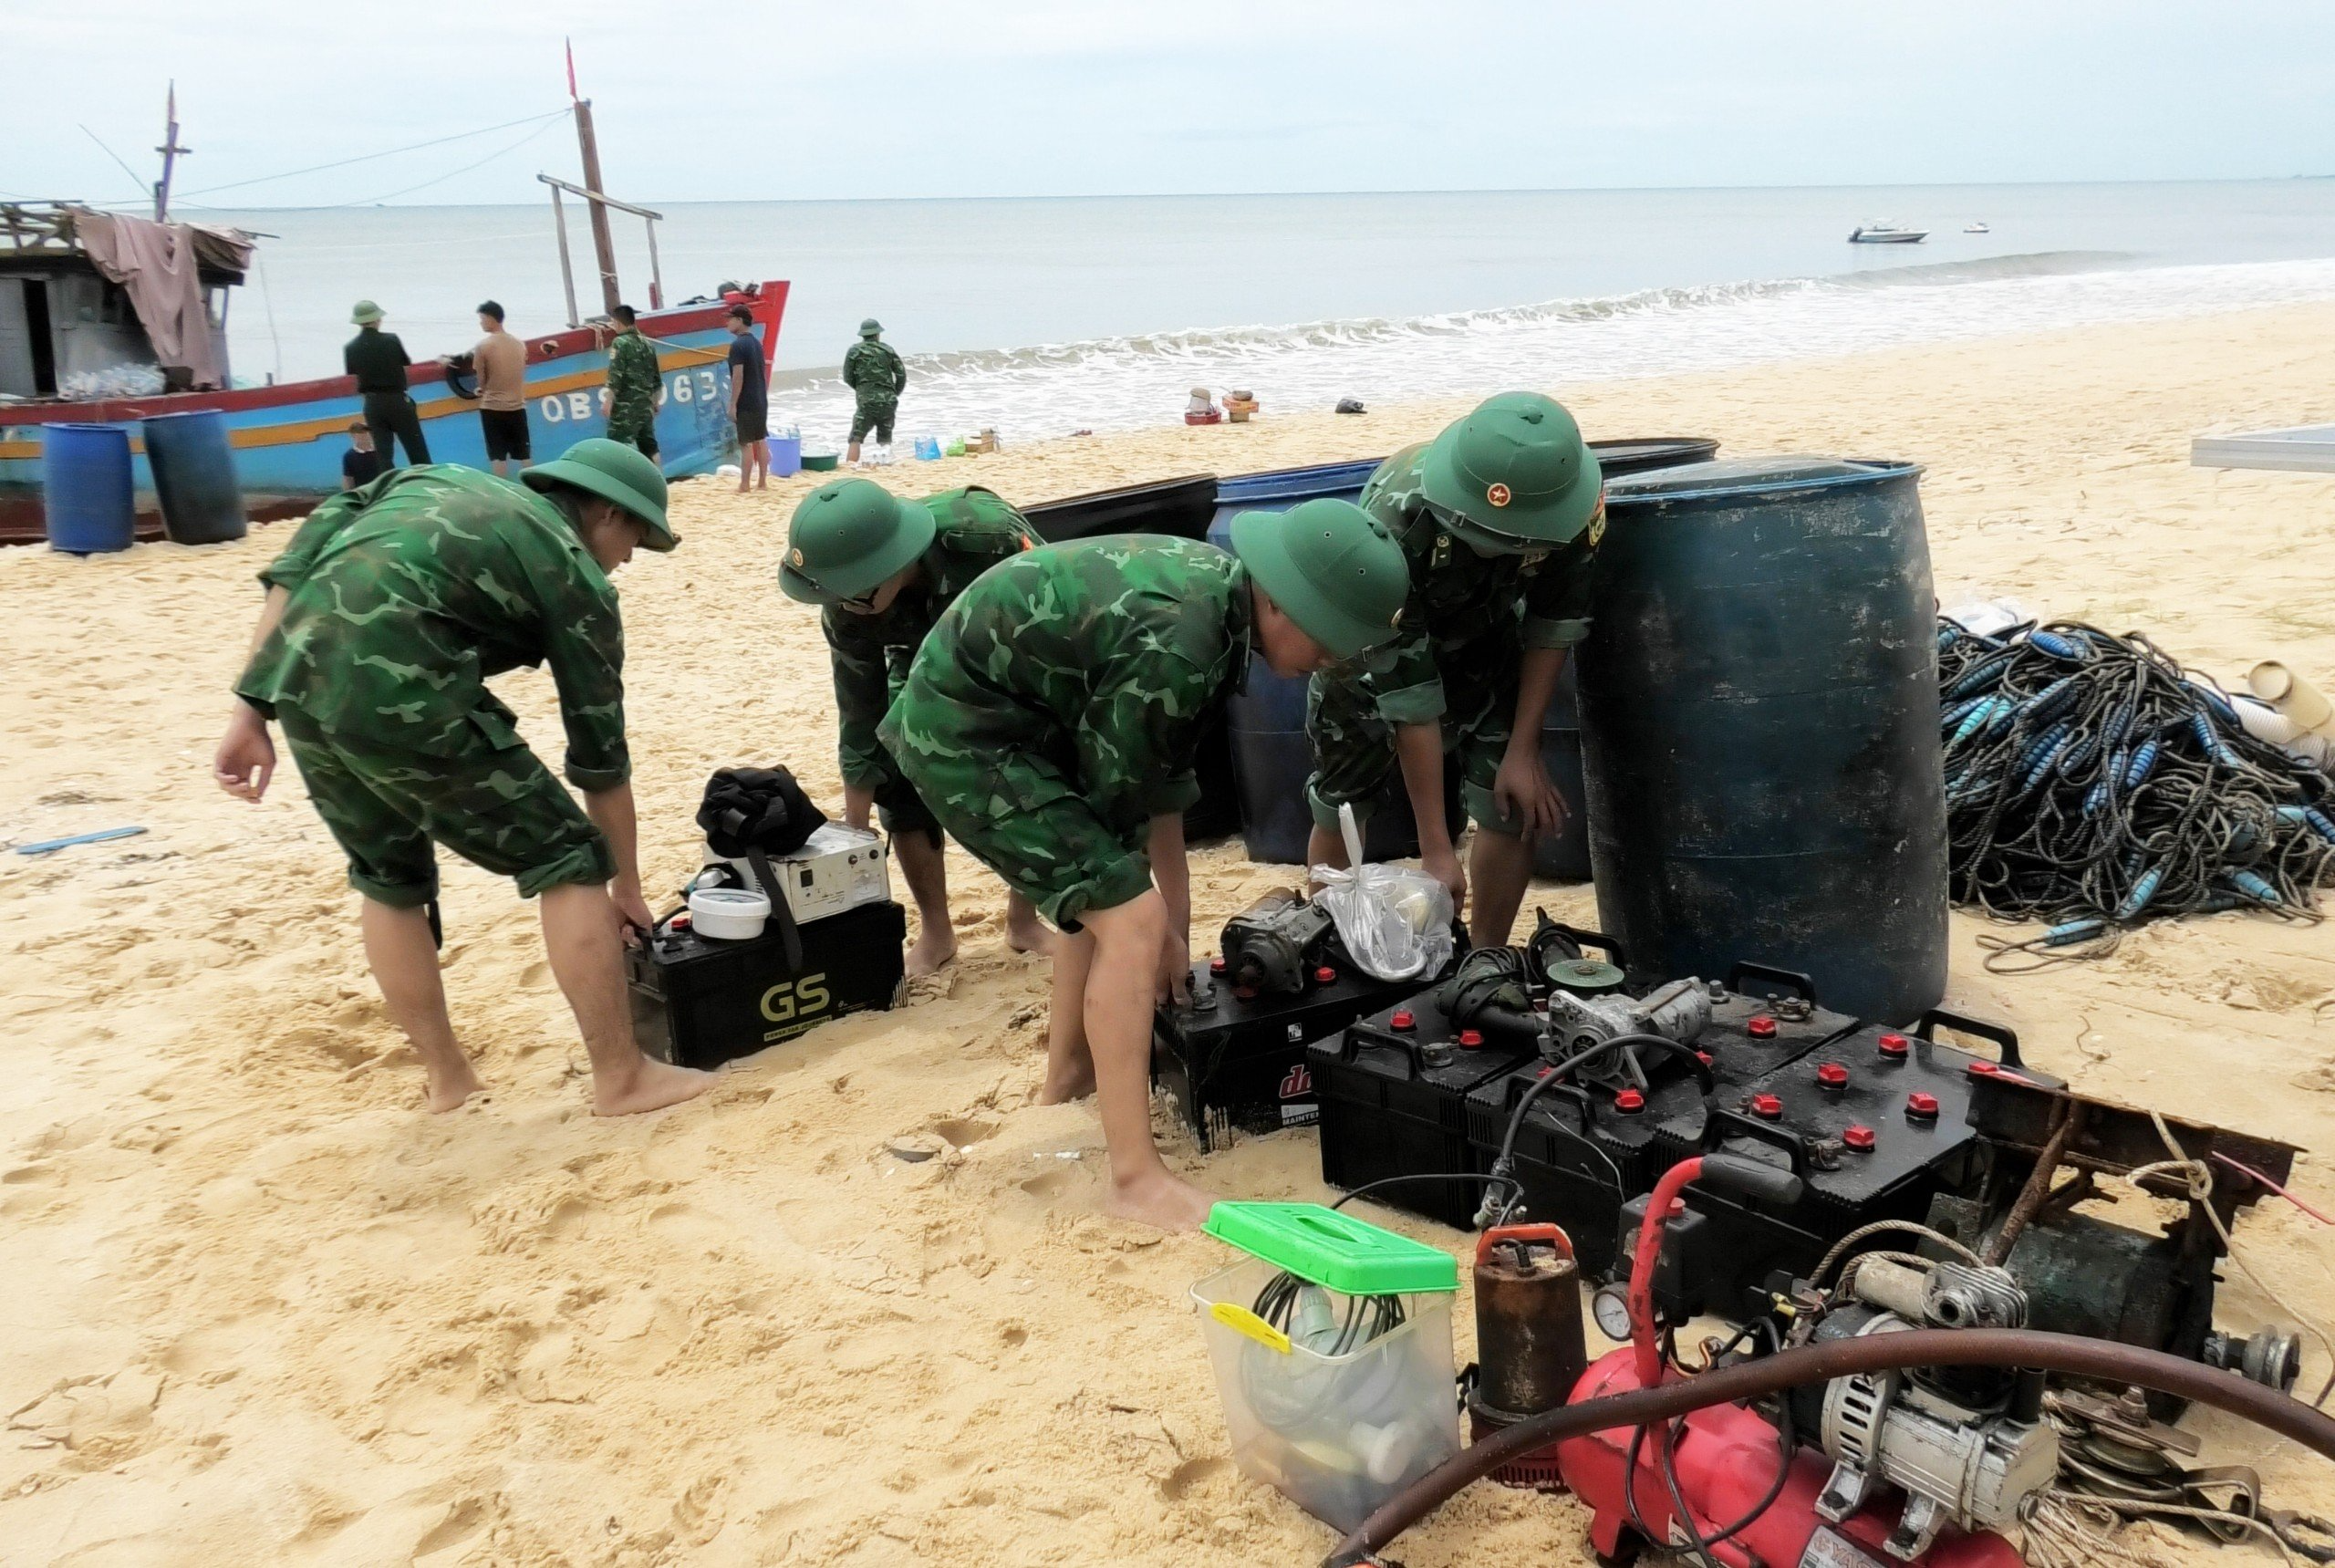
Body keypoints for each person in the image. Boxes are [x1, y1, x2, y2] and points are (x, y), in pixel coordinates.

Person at [879, 502, 1410, 1230]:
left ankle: (1067, 1074)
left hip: (1017, 716)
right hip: (966, 731)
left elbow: (1156, 785)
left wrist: (1177, 920)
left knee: (1109, 898)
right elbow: (1116, 811)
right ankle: (1133, 1178)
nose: (1332, 661)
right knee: (1125, 915)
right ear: (1282, 600)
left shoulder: (1219, 603)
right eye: (1329, 639)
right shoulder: (1183, 640)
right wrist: (1156, 929)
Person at [211, 438, 711, 1119]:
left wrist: (250, 706)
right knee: (567, 857)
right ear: (606, 515)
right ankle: (622, 1078)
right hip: (404, 681)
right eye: (635, 543)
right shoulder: (575, 573)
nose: (625, 562)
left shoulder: (425, 475)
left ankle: (449, 1079)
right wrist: (624, 882)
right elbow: (600, 757)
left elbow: (294, 568)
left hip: (298, 680)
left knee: (388, 876)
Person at [1304, 389, 1605, 950]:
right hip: (1369, 652)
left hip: (1486, 642)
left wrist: (1523, 749)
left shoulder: (1572, 501)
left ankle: (1485, 960)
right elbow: (1409, 693)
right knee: (1344, 798)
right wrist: (1437, 850)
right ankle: (1334, 949)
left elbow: (1553, 624)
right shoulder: (1396, 519)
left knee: (1511, 800)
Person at [779, 477, 1056, 975]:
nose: (843, 607)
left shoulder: (985, 541)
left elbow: (1053, 620)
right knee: (898, 759)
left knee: (1032, 756)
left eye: (854, 597)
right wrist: (854, 830)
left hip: (1015, 640)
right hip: (918, 647)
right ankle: (937, 933)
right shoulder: (846, 601)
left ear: (891, 565)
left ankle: (1025, 920)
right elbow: (860, 711)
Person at [343, 300, 430, 467]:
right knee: (417, 451)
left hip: (373, 404)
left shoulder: (351, 347)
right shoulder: (391, 340)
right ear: (377, 319)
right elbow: (405, 361)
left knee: (384, 456)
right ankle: (425, 485)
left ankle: (388, 487)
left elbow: (353, 373)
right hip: (397, 400)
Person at [470, 300, 530, 478]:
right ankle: (533, 489)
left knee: (498, 456)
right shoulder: (520, 344)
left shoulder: (483, 346)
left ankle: (504, 490)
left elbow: (482, 380)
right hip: (518, 405)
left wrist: (480, 390)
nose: (480, 322)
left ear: (490, 318)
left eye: (482, 318)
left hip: (493, 408)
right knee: (524, 453)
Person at [843, 318, 906, 466]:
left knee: (856, 437)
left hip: (866, 400)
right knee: (885, 434)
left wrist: (861, 390)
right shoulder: (888, 350)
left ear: (863, 335)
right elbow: (901, 374)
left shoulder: (854, 351)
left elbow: (847, 377)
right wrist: (894, 392)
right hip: (888, 399)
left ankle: (850, 466)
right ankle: (884, 463)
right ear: (877, 334)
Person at [604, 305, 661, 462]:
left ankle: (621, 481)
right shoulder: (648, 344)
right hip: (645, 405)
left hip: (625, 406)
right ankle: (658, 480)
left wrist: (608, 401)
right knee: (649, 445)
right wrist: (655, 402)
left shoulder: (620, 343)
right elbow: (656, 377)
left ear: (617, 322)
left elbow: (615, 375)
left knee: (618, 444)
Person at [723, 304, 770, 492]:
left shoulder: (737, 345)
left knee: (746, 444)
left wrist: (733, 404)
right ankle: (762, 482)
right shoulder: (756, 343)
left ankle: (744, 484)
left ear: (740, 321)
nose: (727, 323)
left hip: (746, 400)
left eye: (730, 319)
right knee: (760, 439)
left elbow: (738, 376)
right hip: (760, 398)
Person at [341, 420, 386, 491]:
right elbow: (348, 479)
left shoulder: (379, 451)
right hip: (363, 493)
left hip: (383, 490)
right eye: (360, 433)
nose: (365, 435)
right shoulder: (349, 456)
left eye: (366, 432)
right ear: (352, 436)